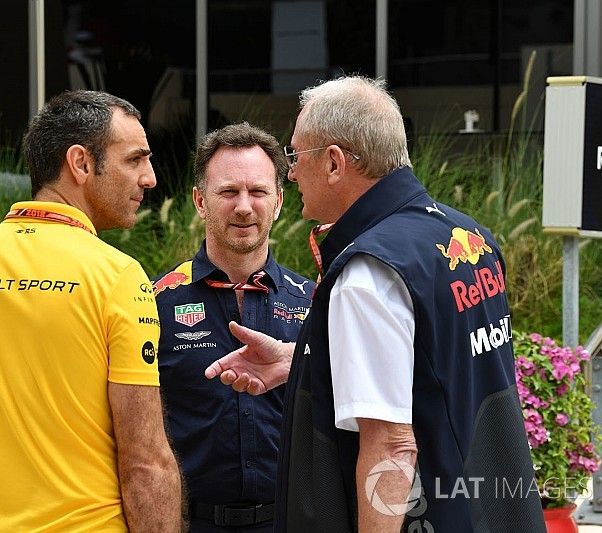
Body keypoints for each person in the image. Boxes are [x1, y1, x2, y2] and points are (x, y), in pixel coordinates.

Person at [205, 76, 545, 532]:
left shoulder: (369, 272)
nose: (291, 172)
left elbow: (391, 448)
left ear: (333, 162)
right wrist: (300, 360)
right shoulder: (468, 236)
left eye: (296, 155)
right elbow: (437, 365)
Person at [0, 90, 182, 532]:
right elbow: (146, 462)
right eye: (134, 160)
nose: (149, 178)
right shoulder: (118, 277)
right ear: (80, 163)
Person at [154, 123, 314, 532]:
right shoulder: (154, 302)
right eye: (228, 192)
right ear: (200, 201)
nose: (244, 206)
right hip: (192, 523)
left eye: (258, 191)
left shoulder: (315, 302)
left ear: (278, 201)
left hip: (290, 522)